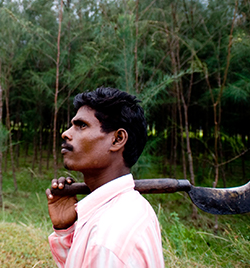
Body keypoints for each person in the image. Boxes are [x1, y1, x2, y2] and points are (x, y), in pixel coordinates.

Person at [45, 86, 165, 267]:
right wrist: (65, 230)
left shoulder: (107, 239)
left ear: (117, 139)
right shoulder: (129, 209)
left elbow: (102, 252)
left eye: (81, 125)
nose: (66, 133)